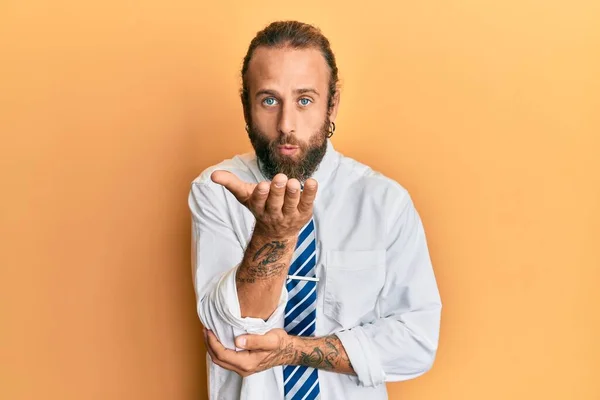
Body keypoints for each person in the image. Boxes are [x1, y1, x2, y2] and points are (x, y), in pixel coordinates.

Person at [188, 20, 442, 400]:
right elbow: (229, 339)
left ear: (332, 103)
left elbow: (417, 342)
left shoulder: (384, 202)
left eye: (304, 99)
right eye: (269, 100)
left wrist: (293, 351)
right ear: (246, 106)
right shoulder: (217, 189)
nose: (287, 125)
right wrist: (274, 235)